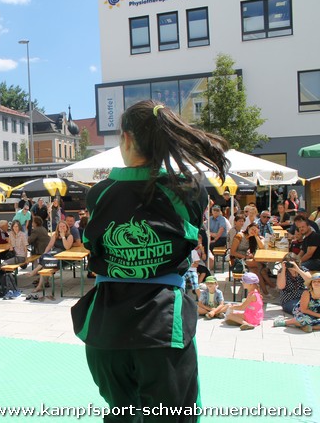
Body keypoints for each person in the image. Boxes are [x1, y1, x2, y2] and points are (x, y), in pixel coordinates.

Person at [71, 100, 229, 417]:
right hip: (162, 330)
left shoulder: (99, 192)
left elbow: (92, 245)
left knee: (122, 412)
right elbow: (192, 239)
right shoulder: (189, 190)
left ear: (126, 138)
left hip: (106, 329)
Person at [29, 220, 75, 292]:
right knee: (45, 258)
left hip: (63, 257)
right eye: (60, 226)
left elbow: (67, 247)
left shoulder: (69, 236)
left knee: (45, 261)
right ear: (58, 228)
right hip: (54, 254)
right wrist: (44, 252)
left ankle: (35, 272)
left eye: (64, 226)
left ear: (67, 228)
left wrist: (63, 237)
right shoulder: (55, 235)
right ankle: (39, 285)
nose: (62, 228)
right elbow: (50, 245)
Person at [229, 223, 272, 295]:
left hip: (245, 259)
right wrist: (245, 256)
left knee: (255, 270)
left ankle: (263, 291)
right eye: (252, 229)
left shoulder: (251, 238)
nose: (253, 231)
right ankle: (269, 285)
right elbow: (232, 252)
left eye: (255, 230)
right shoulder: (239, 236)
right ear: (248, 228)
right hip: (236, 260)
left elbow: (261, 247)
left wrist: (256, 236)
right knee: (259, 265)